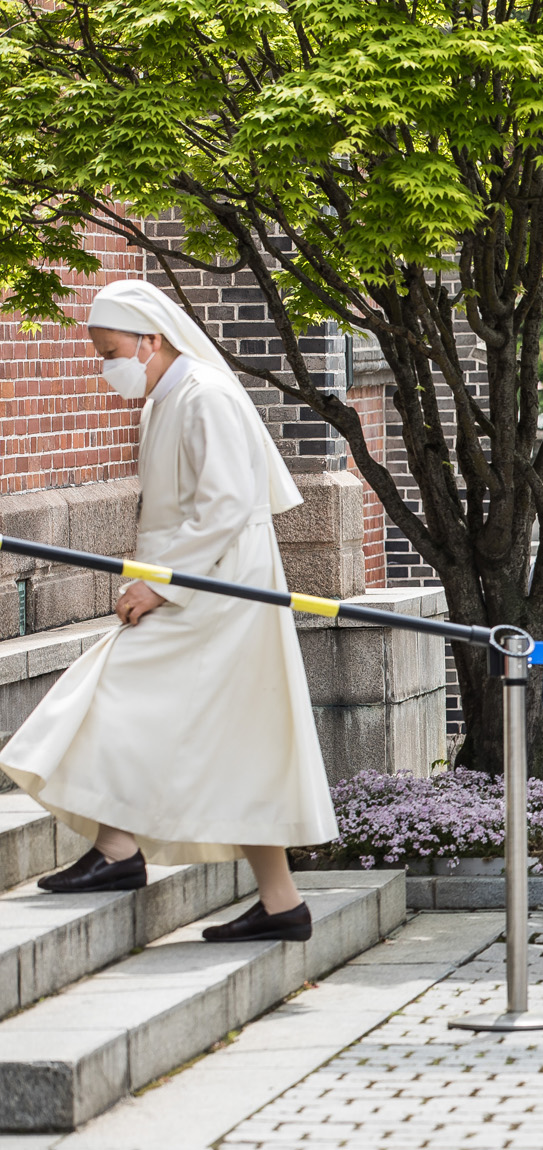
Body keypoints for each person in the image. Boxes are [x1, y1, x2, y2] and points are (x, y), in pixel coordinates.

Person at [0, 279, 336, 942]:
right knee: (236, 741)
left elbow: (225, 506)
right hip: (199, 586)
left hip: (217, 592)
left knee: (113, 690)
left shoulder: (204, 395)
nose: (107, 367)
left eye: (111, 351)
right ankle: (271, 900)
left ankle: (121, 849)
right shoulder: (169, 397)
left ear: (150, 340)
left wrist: (158, 586)